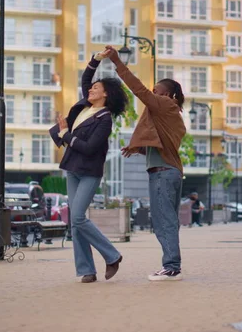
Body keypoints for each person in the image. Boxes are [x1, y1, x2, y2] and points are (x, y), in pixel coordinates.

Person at [103, 45, 186, 281]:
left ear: (168, 96)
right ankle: (172, 265)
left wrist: (118, 63)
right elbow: (159, 139)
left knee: (164, 222)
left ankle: (171, 267)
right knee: (167, 220)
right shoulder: (172, 114)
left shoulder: (165, 105)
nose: (152, 93)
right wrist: (138, 147)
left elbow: (138, 90)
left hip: (162, 174)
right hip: (169, 172)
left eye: (157, 91)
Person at [49, 52, 127, 283]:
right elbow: (86, 79)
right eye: (91, 88)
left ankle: (112, 256)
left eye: (96, 88)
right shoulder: (86, 106)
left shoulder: (105, 119)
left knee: (79, 217)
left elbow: (90, 147)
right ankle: (87, 270)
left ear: (106, 94)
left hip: (89, 172)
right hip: (72, 168)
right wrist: (95, 59)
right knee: (75, 221)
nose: (90, 90)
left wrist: (66, 135)